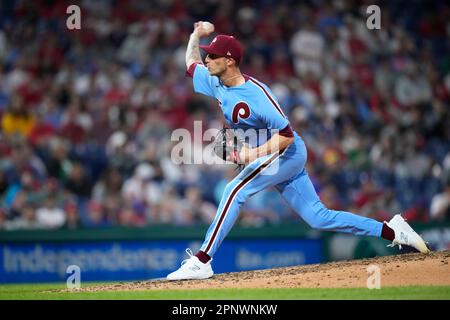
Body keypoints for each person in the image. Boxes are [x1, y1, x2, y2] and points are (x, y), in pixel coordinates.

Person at [166, 22, 430, 281]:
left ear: (230, 61)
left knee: (234, 190)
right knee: (318, 218)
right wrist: (195, 34)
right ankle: (392, 230)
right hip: (277, 156)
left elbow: (287, 137)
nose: (207, 58)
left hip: (285, 152)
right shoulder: (215, 81)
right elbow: (191, 62)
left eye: (212, 55)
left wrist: (249, 154)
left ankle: (202, 260)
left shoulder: (258, 95)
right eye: (207, 53)